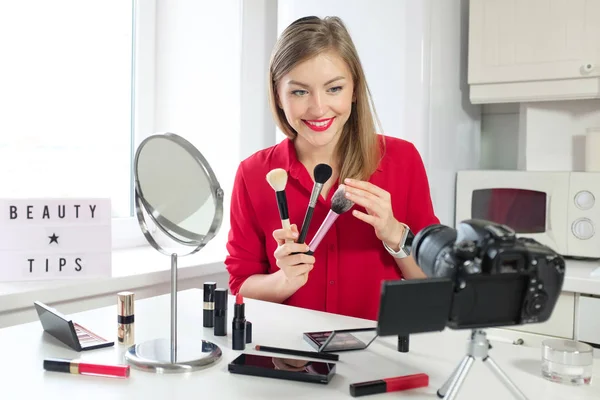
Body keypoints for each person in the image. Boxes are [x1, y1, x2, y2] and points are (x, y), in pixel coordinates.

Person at [225, 16, 439, 321]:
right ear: (278, 96)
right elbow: (240, 287)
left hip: (377, 357)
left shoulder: (402, 160)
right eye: (299, 92)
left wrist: (395, 235)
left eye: (334, 89)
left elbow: (431, 285)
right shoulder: (253, 174)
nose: (318, 108)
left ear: (354, 89)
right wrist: (282, 281)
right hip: (289, 356)